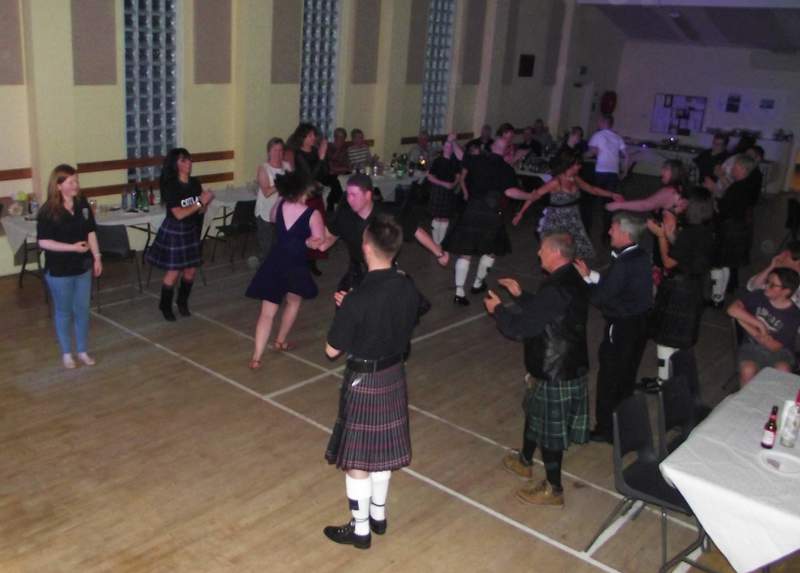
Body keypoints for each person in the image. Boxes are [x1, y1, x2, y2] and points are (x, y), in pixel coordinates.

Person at [323, 214, 428, 550]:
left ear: (366, 247)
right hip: (394, 374)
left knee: (357, 462)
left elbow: (331, 350)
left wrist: (346, 311)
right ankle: (379, 516)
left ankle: (361, 529)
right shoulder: (408, 284)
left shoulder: (358, 298)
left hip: (365, 380)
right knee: (382, 454)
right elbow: (407, 312)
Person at [486, 232, 590, 507]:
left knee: (550, 432)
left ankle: (554, 489)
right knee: (534, 414)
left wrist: (498, 310)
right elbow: (546, 312)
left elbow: (520, 328)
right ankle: (524, 461)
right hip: (560, 364)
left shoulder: (556, 287)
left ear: (556, 253)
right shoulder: (570, 279)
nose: (538, 253)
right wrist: (520, 296)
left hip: (556, 370)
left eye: (542, 249)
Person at [574, 212, 652, 443]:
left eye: (613, 229)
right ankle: (623, 424)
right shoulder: (639, 255)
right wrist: (592, 274)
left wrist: (585, 280)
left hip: (622, 327)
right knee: (627, 375)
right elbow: (617, 283)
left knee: (610, 376)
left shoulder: (624, 262)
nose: (609, 232)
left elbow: (601, 298)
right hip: (639, 325)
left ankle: (606, 429)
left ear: (625, 233)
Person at [310, 174, 448, 293]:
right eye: (348, 194)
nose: (349, 199)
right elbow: (330, 236)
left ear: (368, 195)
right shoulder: (344, 215)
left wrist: (439, 253)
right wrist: (316, 242)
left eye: (354, 195)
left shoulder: (388, 215)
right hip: (357, 272)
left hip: (385, 272)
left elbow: (417, 231)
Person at [245, 171, 324, 369]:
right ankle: (280, 340)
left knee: (266, 313)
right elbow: (318, 243)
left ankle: (256, 357)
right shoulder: (312, 214)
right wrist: (311, 241)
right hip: (295, 264)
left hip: (276, 261)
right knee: (293, 302)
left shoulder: (280, 205)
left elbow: (272, 218)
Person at [643, 187, 715, 390]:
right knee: (677, 337)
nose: (678, 205)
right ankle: (671, 379)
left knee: (666, 337)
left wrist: (660, 236)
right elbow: (686, 253)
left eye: (683, 202)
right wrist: (670, 233)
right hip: (694, 286)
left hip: (680, 289)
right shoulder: (705, 230)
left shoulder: (690, 233)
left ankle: (662, 382)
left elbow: (667, 262)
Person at [442, 137, 526, 305]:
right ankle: (477, 283)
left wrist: (453, 142)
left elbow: (461, 156)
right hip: (491, 213)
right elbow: (510, 192)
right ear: (506, 151)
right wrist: (530, 195)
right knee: (490, 250)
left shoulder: (477, 160)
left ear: (491, 147)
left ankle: (459, 292)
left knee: (466, 253)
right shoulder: (505, 168)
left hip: (472, 210)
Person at [37, 164, 103, 369]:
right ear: (58, 186)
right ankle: (67, 353)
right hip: (59, 270)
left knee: (82, 310)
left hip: (82, 267)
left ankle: (82, 350)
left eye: (76, 181)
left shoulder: (82, 204)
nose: (76, 185)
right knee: (64, 311)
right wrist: (72, 248)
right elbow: (43, 242)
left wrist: (97, 257)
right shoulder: (48, 210)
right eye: (71, 182)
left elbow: (91, 231)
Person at [146, 148, 214, 322]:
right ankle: (165, 305)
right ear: (175, 164)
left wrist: (205, 203)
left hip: (191, 230)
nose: (188, 163)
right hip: (175, 231)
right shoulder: (171, 186)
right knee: (173, 272)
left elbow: (200, 210)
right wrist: (200, 202)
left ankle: (182, 302)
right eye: (183, 160)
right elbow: (178, 214)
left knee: (190, 271)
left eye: (189, 160)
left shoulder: (194, 183)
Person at [513, 153, 623, 260]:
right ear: (569, 164)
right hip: (557, 219)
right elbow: (534, 195)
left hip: (573, 217)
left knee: (575, 249)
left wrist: (612, 194)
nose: (580, 167)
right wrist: (521, 213)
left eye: (580, 164)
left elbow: (592, 189)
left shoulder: (575, 178)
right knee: (558, 249)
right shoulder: (556, 182)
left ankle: (572, 270)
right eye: (577, 164)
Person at [728, 267, 800, 386]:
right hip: (751, 347)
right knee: (747, 369)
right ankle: (746, 401)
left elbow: (774, 346)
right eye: (767, 282)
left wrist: (744, 322)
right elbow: (732, 310)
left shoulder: (793, 315)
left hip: (781, 352)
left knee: (782, 369)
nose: (766, 286)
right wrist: (760, 325)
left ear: (786, 291)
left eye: (772, 285)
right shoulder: (759, 296)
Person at [708, 154, 759, 305]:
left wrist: (714, 194)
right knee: (726, 264)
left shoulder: (738, 188)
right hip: (738, 230)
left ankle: (717, 298)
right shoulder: (746, 184)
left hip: (730, 231)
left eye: (735, 166)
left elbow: (723, 209)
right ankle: (719, 297)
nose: (731, 169)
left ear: (742, 168)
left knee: (718, 264)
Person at [288, 122, 344, 212]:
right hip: (306, 192)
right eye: (310, 136)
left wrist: (324, 155)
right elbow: (310, 176)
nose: (314, 138)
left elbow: (325, 172)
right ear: (302, 138)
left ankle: (338, 207)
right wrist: (321, 158)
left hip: (317, 189)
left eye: (314, 135)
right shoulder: (298, 154)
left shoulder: (315, 150)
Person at [606, 159, 687, 216]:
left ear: (674, 173)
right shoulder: (680, 187)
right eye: (663, 168)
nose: (662, 171)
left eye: (666, 169)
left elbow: (646, 205)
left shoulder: (669, 191)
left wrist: (619, 205)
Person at [255, 137, 292, 262]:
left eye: (281, 150)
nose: (278, 153)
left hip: (282, 213)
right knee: (267, 250)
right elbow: (266, 192)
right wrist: (281, 183)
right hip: (265, 214)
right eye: (275, 150)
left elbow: (292, 187)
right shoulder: (263, 168)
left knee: (281, 247)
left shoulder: (287, 166)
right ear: (269, 152)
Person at [427, 135, 463, 245]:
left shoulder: (455, 161)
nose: (448, 148)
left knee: (445, 218)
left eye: (450, 146)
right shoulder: (437, 161)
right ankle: (435, 242)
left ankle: (440, 243)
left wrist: (453, 184)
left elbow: (458, 175)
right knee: (437, 217)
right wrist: (444, 184)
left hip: (449, 192)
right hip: (438, 190)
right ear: (443, 147)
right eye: (446, 145)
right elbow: (430, 176)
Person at [746, 241, 800, 308]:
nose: (781, 256)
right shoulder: (778, 271)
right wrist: (771, 266)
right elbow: (752, 287)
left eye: (786, 255)